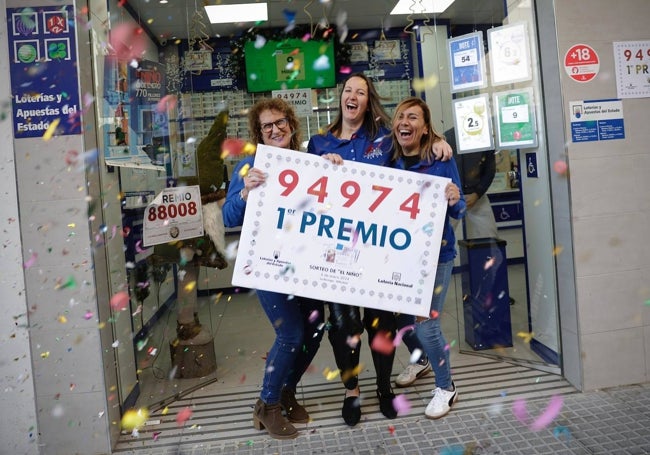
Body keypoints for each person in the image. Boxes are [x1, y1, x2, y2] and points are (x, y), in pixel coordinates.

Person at [307, 73, 453, 426]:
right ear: (340, 98)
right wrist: (322, 168)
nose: (353, 95)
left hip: (378, 251)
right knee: (345, 325)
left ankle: (385, 388)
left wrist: (439, 142)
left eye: (360, 91)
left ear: (368, 99)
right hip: (336, 249)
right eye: (348, 90)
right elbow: (308, 192)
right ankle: (351, 390)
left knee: (382, 324)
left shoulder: (383, 139)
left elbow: (413, 140)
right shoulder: (319, 142)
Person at [222, 98, 324, 439]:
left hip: (306, 264)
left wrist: (335, 168)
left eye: (280, 122)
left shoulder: (308, 162)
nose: (276, 129)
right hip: (267, 263)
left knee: (315, 329)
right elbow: (227, 216)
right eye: (268, 125)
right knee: (291, 333)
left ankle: (285, 391)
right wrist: (245, 193)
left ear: (291, 125)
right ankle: (267, 406)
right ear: (259, 132)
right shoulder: (251, 167)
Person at [391, 97, 465, 419]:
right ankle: (421, 360)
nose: (405, 122)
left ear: (424, 129)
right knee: (402, 318)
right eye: (400, 117)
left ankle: (446, 387)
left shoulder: (440, 159)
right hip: (398, 254)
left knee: (427, 324)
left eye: (413, 118)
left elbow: (458, 209)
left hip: (436, 255)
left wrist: (454, 198)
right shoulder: (388, 159)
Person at [445, 128, 498, 239]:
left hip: (477, 198)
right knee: (441, 240)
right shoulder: (446, 138)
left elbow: (490, 170)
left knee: (491, 237)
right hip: (451, 198)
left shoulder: (484, 138)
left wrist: (477, 194)